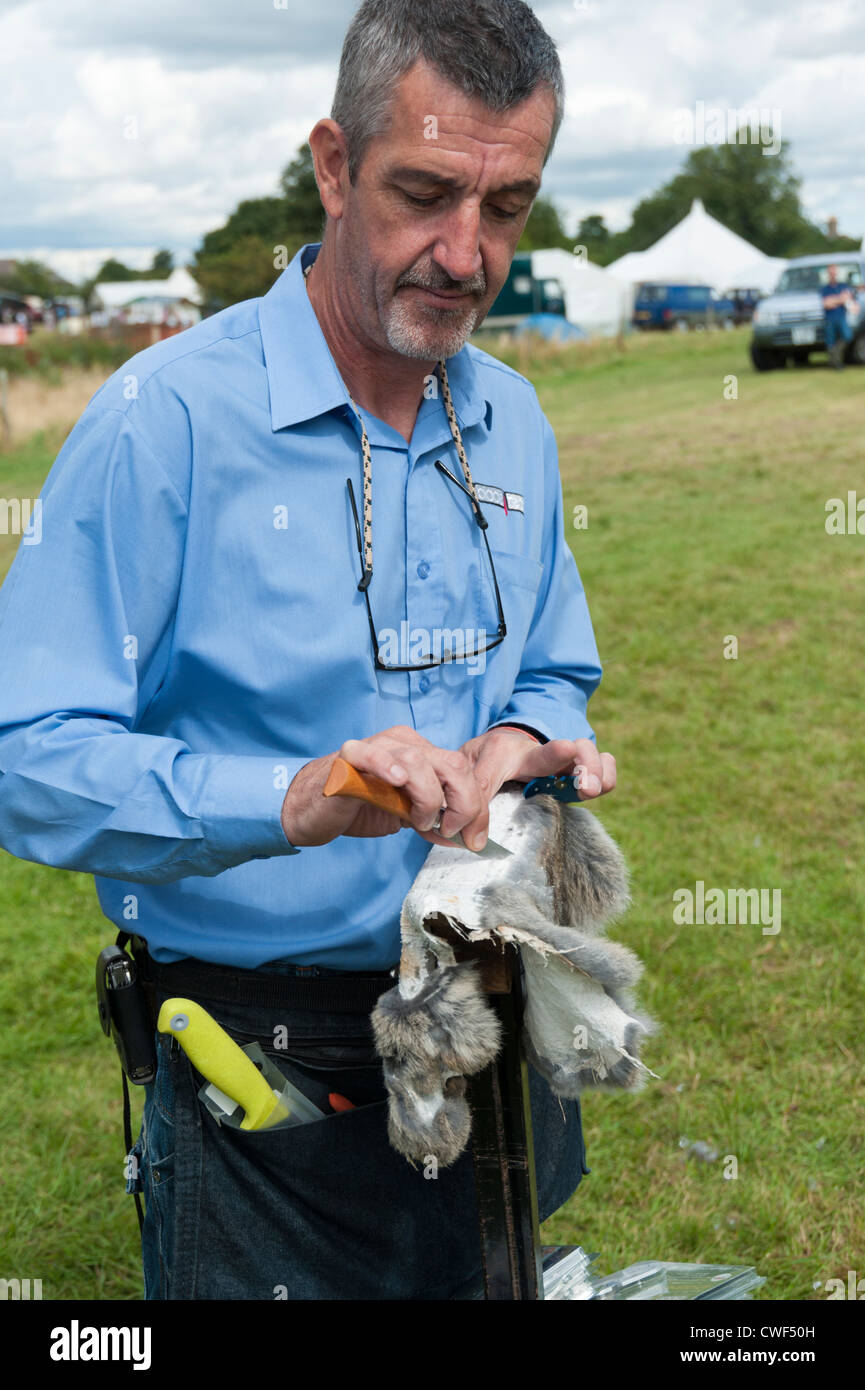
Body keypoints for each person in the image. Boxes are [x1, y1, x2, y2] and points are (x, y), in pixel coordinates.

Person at [0, 0, 616, 1300]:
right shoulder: (158, 424)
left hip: (486, 1002)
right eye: (425, 192)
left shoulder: (512, 419)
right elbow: (29, 756)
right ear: (333, 166)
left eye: (506, 207)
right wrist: (296, 797)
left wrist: (514, 747)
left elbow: (554, 666)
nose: (465, 254)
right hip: (259, 1054)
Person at [821, 263, 853, 369]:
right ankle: (835, 362)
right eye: (831, 272)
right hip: (830, 317)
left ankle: (836, 357)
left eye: (834, 272)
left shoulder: (842, 286)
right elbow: (826, 304)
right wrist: (840, 299)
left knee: (847, 336)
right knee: (830, 340)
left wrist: (834, 300)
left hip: (841, 316)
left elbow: (847, 299)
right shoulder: (825, 288)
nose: (833, 274)